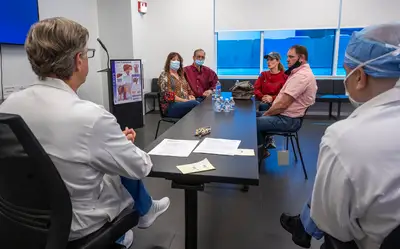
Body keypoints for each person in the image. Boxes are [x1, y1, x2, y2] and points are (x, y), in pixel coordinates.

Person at [0, 17, 170, 248]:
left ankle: (142, 211)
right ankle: (132, 222)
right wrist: (122, 144)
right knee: (118, 168)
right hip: (75, 226)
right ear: (79, 60)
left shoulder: (8, 105)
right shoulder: (91, 117)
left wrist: (112, 141)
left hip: (19, 219)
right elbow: (141, 167)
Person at [280, 22, 400, 249]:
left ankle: (303, 228)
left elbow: (332, 224)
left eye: (347, 73)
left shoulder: (345, 139)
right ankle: (301, 226)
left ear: (360, 77)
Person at [256, 45, 317, 157]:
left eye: (291, 56)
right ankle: (263, 146)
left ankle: (260, 154)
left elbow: (282, 104)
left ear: (301, 58)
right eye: (287, 56)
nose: (287, 59)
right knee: (252, 116)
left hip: (288, 120)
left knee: (254, 123)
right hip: (284, 115)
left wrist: (266, 114)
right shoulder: (295, 73)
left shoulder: (302, 76)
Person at [158, 52, 199, 118]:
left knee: (201, 101)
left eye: (178, 60)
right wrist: (186, 101)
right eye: (173, 60)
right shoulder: (165, 75)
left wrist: (191, 96)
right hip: (171, 106)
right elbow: (169, 96)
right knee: (195, 104)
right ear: (169, 62)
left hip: (184, 103)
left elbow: (188, 90)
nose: (176, 62)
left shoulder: (181, 76)